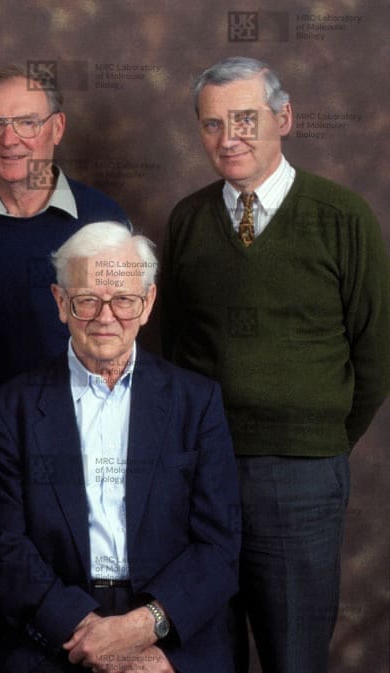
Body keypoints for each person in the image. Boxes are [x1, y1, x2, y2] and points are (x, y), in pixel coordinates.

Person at [161, 57, 390, 673]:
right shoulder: (186, 220)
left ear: (283, 118)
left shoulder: (342, 218)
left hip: (301, 475)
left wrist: (319, 439)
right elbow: (172, 343)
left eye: (245, 119)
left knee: (292, 653)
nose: (228, 138)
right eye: (212, 125)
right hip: (200, 472)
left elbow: (375, 353)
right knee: (205, 648)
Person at [0, 222, 241, 673]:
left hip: (170, 623)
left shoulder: (196, 402)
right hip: (52, 622)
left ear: (148, 303)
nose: (105, 317)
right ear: (61, 303)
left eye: (123, 300)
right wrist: (82, 629)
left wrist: (146, 627)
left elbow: (218, 545)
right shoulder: (8, 410)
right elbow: (2, 546)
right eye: (87, 301)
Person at [0, 63, 128, 418]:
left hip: (83, 433)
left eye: (27, 123)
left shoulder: (103, 219)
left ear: (58, 127)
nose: (9, 140)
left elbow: (124, 339)